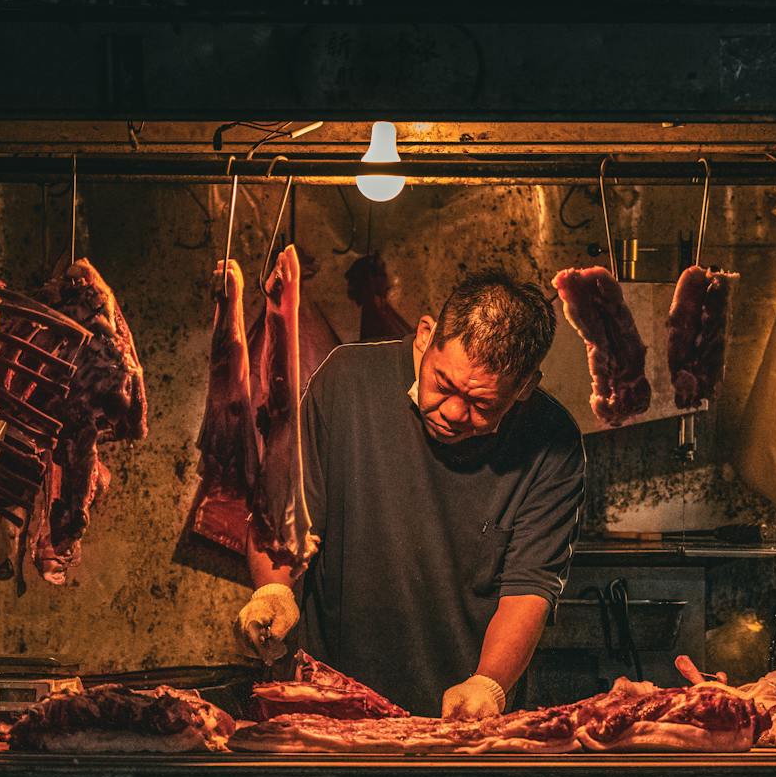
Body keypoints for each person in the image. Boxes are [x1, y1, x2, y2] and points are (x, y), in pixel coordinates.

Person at [235, 270, 584, 720]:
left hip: (463, 719)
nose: (455, 413)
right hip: (330, 706)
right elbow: (282, 514)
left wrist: (490, 684)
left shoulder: (552, 442)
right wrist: (273, 590)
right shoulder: (347, 381)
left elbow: (529, 588)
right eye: (445, 385)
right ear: (425, 336)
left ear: (524, 388)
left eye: (483, 405)